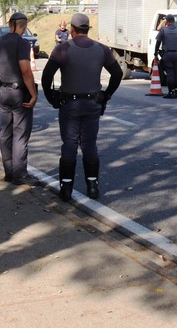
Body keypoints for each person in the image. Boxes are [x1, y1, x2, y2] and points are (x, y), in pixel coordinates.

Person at [41, 13, 123, 201]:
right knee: (89, 145)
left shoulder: (63, 49)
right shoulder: (102, 49)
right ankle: (92, 186)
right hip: (93, 103)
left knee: (69, 145)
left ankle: (66, 188)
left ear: (71, 29)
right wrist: (106, 95)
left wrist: (51, 97)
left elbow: (46, 76)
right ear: (88, 29)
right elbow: (117, 73)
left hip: (70, 103)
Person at [0, 12, 39, 184]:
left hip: (3, 90)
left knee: (5, 132)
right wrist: (33, 94)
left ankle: (8, 172)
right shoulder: (23, 43)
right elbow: (26, 70)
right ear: (24, 26)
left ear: (10, 24)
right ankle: (20, 175)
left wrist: (4, 75)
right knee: (20, 134)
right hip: (19, 92)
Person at [154, 14, 177, 99]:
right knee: (176, 73)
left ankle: (171, 92)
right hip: (176, 54)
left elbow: (158, 43)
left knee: (170, 73)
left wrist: (155, 53)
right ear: (174, 21)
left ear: (167, 21)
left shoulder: (163, 31)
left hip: (167, 54)